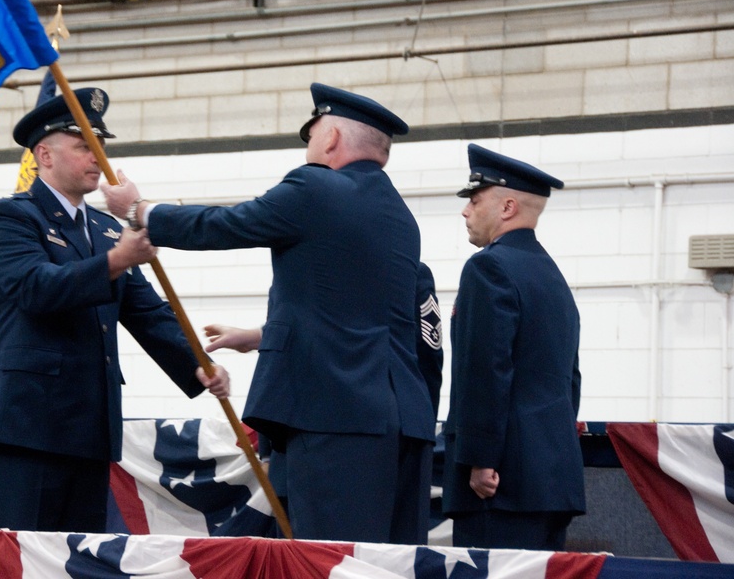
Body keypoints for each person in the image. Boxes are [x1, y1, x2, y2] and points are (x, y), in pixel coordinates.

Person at [102, 83, 436, 544]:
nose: (309, 148)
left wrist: (138, 210)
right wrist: (259, 335)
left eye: (312, 135)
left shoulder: (315, 186)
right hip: (402, 420)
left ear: (332, 137)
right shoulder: (401, 217)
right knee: (388, 564)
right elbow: (355, 314)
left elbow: (224, 225)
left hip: (333, 417)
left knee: (329, 564)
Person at [0, 87, 230, 533]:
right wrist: (115, 262)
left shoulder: (107, 229)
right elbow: (36, 288)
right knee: (20, 560)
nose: (99, 157)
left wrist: (197, 364)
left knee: (79, 560)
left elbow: (147, 312)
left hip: (90, 425)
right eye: (83, 146)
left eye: (101, 146)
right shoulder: (12, 217)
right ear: (44, 155)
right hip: (28, 426)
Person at [201, 261, 443, 544]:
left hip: (388, 449)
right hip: (297, 449)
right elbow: (279, 360)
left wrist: (418, 434)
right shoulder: (294, 269)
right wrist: (268, 451)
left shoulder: (406, 270)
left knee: (385, 561)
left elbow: (425, 360)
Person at [442, 143, 585, 551]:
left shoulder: (489, 268)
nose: (466, 210)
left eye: (474, 199)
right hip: (548, 474)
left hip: (500, 482)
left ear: (507, 207)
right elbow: (568, 378)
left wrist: (480, 458)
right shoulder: (551, 276)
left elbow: (484, 370)